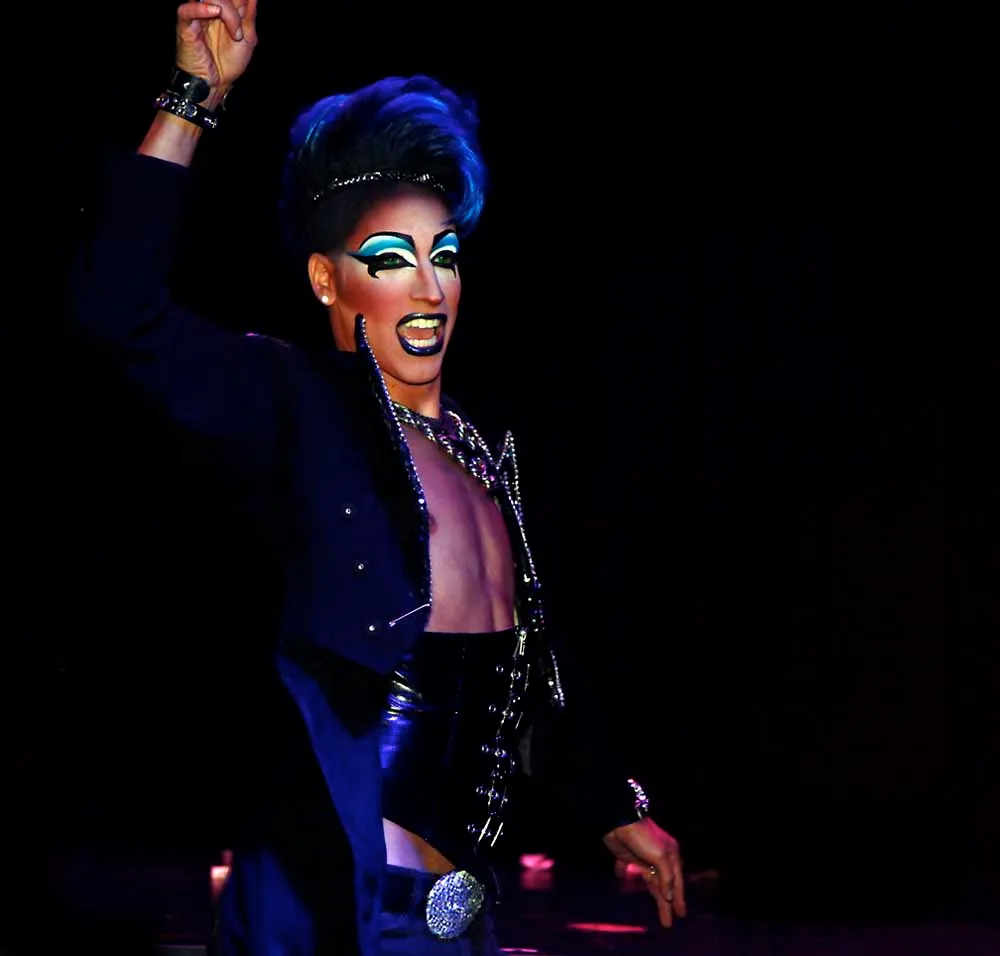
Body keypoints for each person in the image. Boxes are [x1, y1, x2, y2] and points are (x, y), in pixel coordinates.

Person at [70, 2, 686, 952]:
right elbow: (119, 309)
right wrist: (193, 97)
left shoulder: (479, 451)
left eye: (445, 258)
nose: (429, 288)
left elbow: (528, 673)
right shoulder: (294, 402)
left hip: (456, 916)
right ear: (328, 280)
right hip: (334, 908)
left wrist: (611, 807)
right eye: (393, 260)